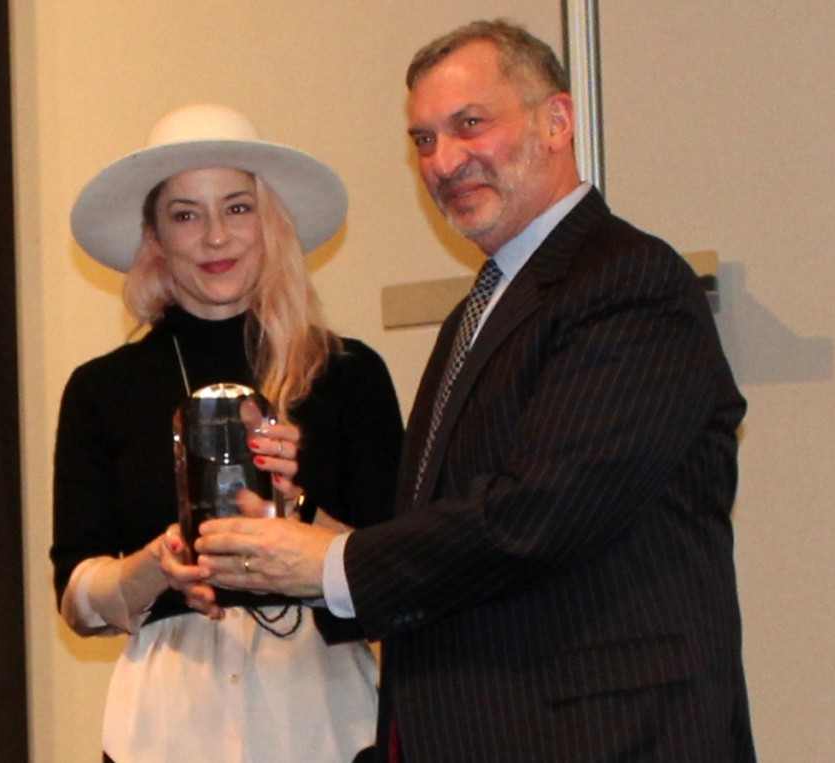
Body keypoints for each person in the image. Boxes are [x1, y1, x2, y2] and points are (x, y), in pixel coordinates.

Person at [200, 19, 757, 763]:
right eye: (423, 140)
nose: (444, 161)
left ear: (556, 121)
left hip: (608, 738)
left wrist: (331, 564)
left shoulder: (630, 283)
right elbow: (451, 531)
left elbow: (539, 513)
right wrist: (293, 532)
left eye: (470, 124)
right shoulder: (478, 311)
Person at [50, 103, 404, 763]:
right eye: (186, 214)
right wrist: (151, 569)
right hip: (160, 729)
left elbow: (399, 575)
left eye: (237, 208)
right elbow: (77, 595)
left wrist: (299, 512)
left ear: (270, 221)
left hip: (325, 724)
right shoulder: (103, 389)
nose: (215, 237)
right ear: (154, 236)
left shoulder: (349, 375)